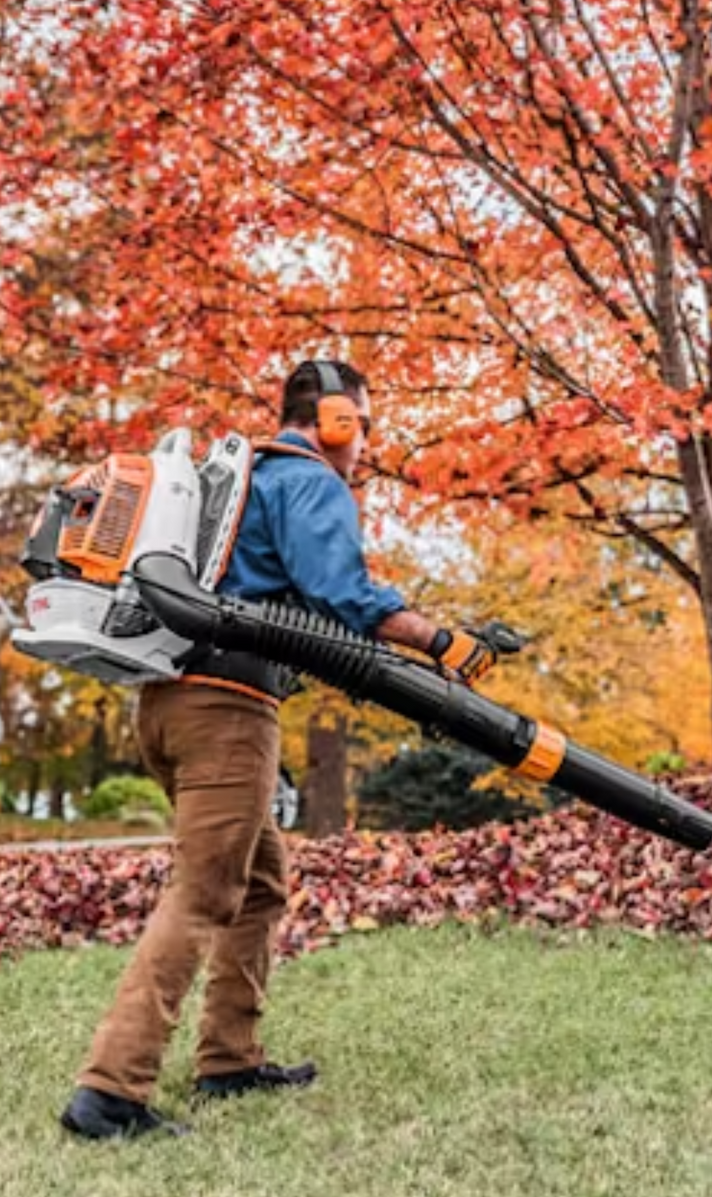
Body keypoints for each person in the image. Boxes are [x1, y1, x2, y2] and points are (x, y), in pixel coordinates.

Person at [60, 359, 512, 1140]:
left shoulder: (236, 481)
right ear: (335, 419)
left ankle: (229, 1059)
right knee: (203, 892)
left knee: (262, 883)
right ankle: (109, 1093)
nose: (364, 441)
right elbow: (341, 593)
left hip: (169, 706)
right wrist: (444, 641)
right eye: (363, 424)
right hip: (227, 712)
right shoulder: (309, 481)